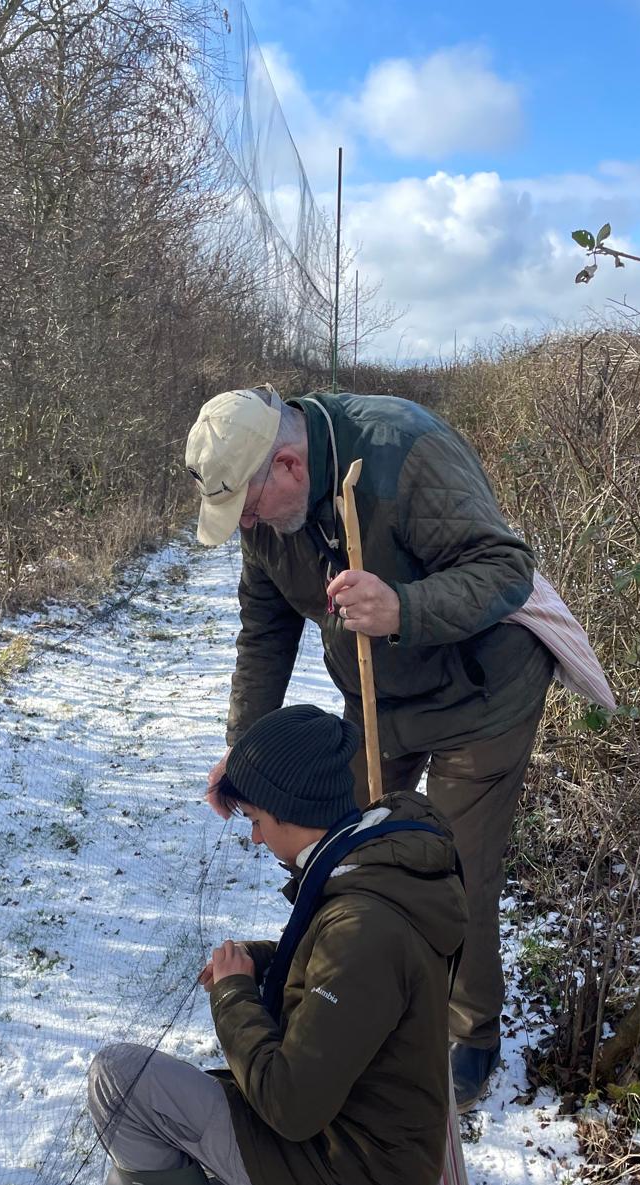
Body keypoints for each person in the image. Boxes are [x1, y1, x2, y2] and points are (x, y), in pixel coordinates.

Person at [186, 385, 555, 1109]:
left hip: (480, 695)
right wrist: (246, 753)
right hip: (377, 697)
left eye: (252, 510)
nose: (249, 528)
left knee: (454, 867)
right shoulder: (265, 514)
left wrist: (404, 608)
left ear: (289, 465)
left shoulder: (406, 453)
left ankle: (470, 1032)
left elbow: (507, 570)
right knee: (337, 843)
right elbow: (265, 632)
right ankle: (339, 992)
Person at [87, 704, 466, 1185]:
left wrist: (235, 994)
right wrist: (265, 961)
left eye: (259, 821)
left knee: (117, 1082)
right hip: (386, 1154)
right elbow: (346, 991)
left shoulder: (363, 929)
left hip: (357, 1169)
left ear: (292, 812)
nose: (257, 838)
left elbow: (289, 1105)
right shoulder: (379, 856)